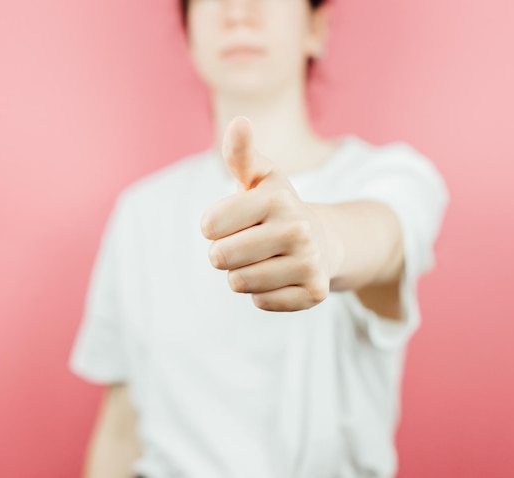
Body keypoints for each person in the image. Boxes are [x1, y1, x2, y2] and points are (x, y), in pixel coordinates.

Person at [68, 0, 449, 476]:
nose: (238, 11)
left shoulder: (391, 177)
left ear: (316, 27)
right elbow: (122, 427)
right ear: (188, 33)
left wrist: (325, 241)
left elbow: (383, 236)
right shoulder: (139, 212)